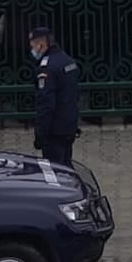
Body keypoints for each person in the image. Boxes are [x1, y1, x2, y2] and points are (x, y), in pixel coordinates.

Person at [30, 27, 81, 166]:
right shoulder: (68, 61)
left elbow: (46, 104)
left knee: (56, 171)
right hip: (69, 126)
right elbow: (75, 94)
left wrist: (40, 134)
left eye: (33, 46)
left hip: (54, 131)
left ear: (41, 45)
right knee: (66, 166)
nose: (32, 50)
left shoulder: (47, 68)